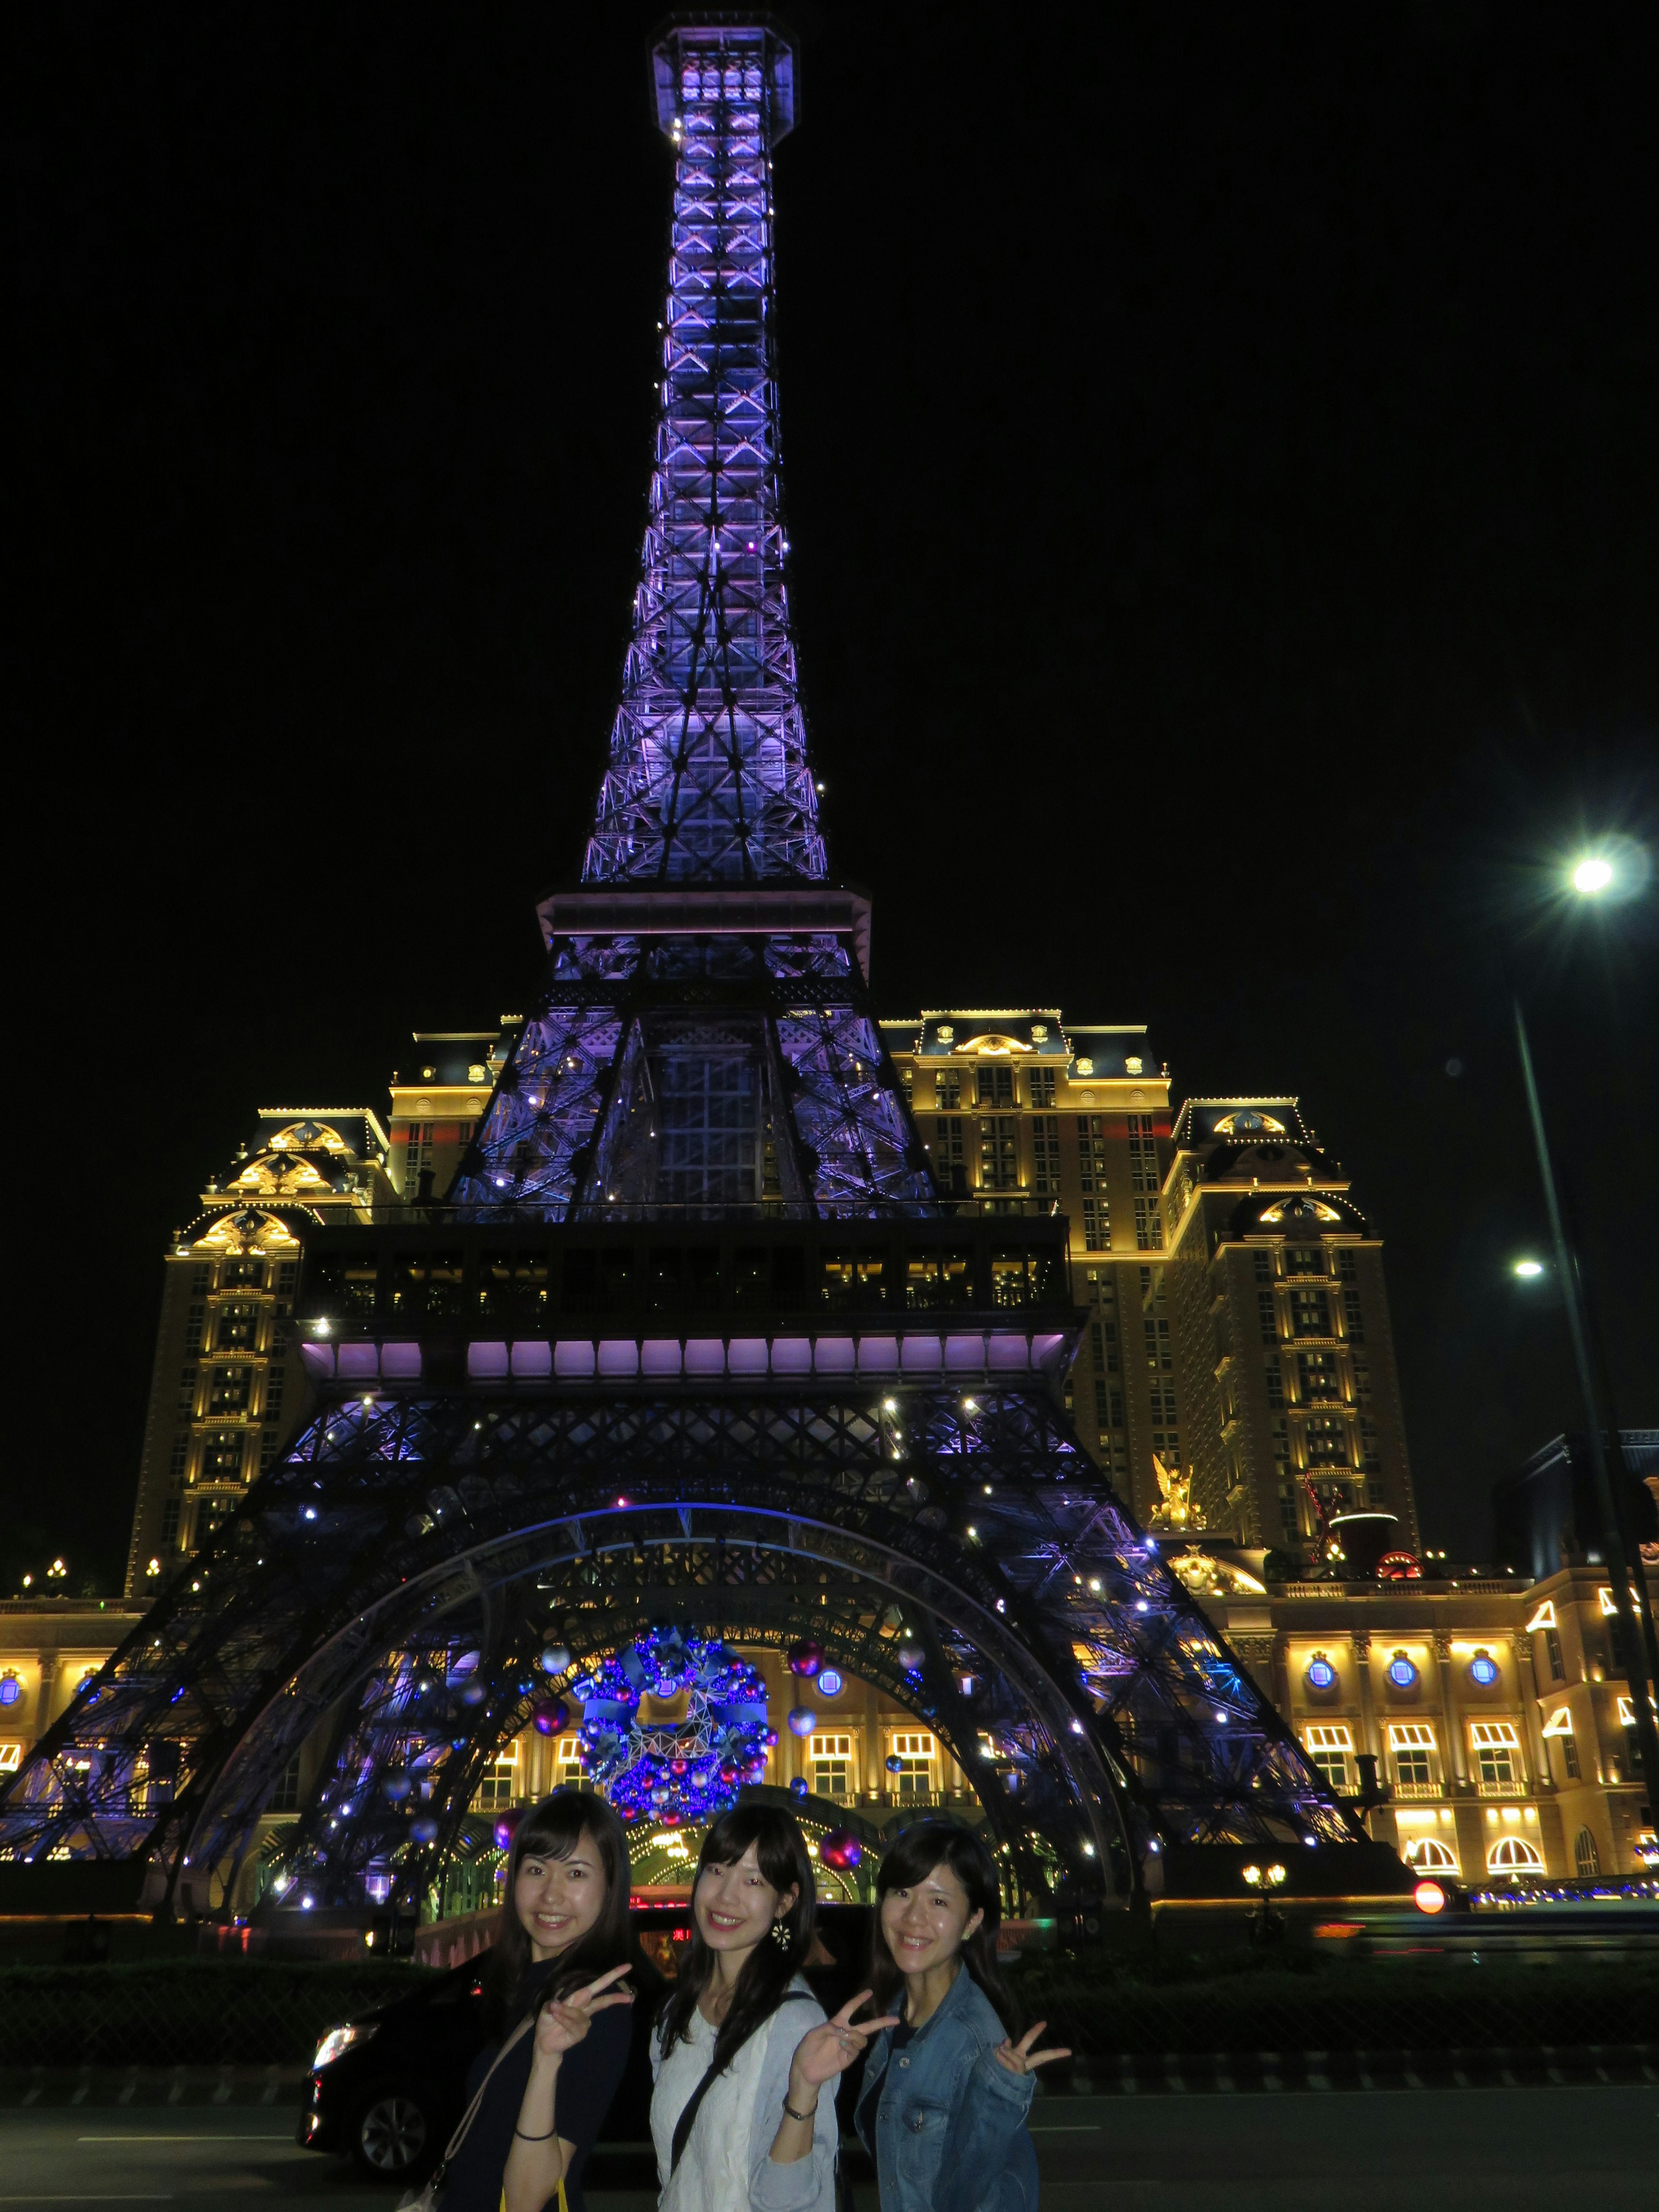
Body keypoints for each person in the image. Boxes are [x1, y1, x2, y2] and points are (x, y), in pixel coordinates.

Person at [650, 1804, 896, 2212]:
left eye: (753, 1880)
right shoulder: (677, 2013)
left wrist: (803, 2091)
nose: (726, 1896)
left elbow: (787, 2200)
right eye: (717, 1870)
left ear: (784, 1903)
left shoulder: (795, 2023)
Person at [855, 1822, 1070, 2212]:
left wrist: (999, 2099)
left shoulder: (977, 2044)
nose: (913, 1917)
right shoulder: (895, 2014)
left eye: (938, 1902)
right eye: (902, 1893)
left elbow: (966, 2201)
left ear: (972, 1921)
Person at [441, 1789, 637, 2212]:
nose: (551, 1894)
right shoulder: (517, 1984)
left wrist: (547, 2059)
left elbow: (529, 2197)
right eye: (536, 1869)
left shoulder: (593, 2008)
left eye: (577, 1873)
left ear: (610, 1885)